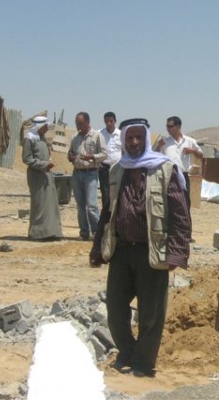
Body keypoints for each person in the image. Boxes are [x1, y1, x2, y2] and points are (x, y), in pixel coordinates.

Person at [88, 118, 191, 378]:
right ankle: (128, 351)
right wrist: (97, 249)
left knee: (151, 314)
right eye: (129, 138)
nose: (134, 142)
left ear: (145, 139)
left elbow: (180, 214)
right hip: (122, 251)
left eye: (138, 137)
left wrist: (176, 253)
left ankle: (143, 363)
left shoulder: (164, 169)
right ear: (123, 141)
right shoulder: (117, 170)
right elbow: (108, 212)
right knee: (115, 310)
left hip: (152, 252)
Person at [22, 116, 64, 241]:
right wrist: (44, 165)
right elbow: (27, 159)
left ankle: (51, 232)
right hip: (36, 175)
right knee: (39, 204)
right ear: (39, 127)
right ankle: (38, 233)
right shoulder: (29, 139)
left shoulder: (42, 138)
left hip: (46, 174)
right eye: (45, 127)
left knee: (50, 204)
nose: (46, 129)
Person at [68, 112, 106, 241]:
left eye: (80, 124)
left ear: (87, 122)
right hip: (77, 173)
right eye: (77, 124)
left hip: (91, 173)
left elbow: (104, 154)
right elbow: (70, 153)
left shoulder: (97, 136)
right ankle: (84, 232)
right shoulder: (75, 137)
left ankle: (97, 232)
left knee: (91, 206)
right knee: (80, 206)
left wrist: (92, 157)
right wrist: (70, 157)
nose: (78, 126)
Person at [157, 116, 202, 208]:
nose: (167, 129)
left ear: (178, 126)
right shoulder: (164, 142)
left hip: (183, 176)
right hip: (168, 176)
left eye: (170, 126)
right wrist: (158, 146)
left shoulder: (190, 141)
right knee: (168, 202)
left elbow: (201, 155)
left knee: (185, 202)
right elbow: (156, 157)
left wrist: (193, 151)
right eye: (167, 126)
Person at [99, 111, 122, 212]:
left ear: (115, 121)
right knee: (105, 193)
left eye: (111, 121)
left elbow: (124, 151)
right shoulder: (99, 134)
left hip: (118, 168)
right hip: (104, 167)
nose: (109, 123)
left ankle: (118, 214)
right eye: (106, 121)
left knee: (119, 191)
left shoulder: (121, 134)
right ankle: (106, 216)